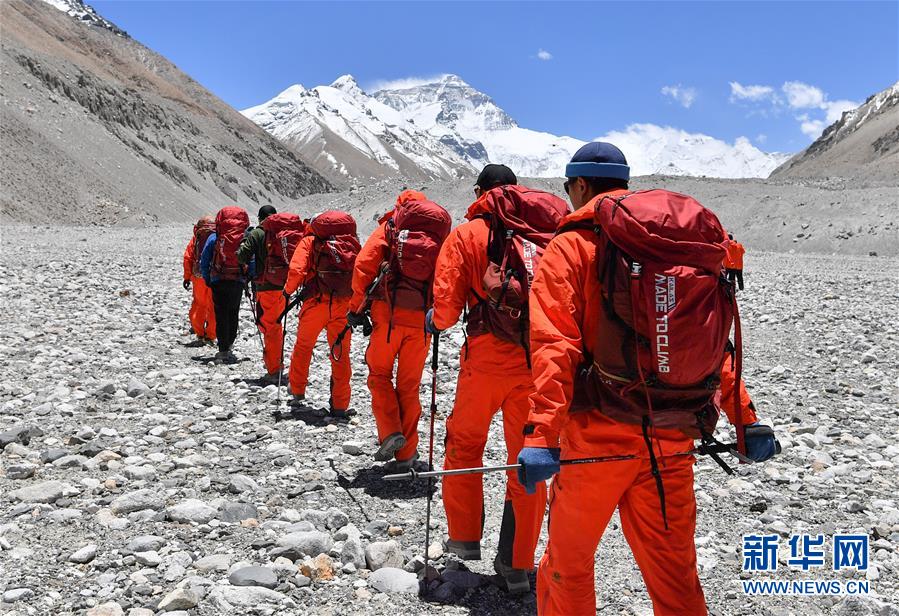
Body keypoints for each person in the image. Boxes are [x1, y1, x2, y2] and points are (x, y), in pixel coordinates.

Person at [516, 142, 779, 615]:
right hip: (672, 438)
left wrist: (541, 434)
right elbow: (711, 344)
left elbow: (554, 345)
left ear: (578, 185)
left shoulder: (573, 246)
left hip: (597, 441)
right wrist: (744, 418)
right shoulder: (675, 250)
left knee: (568, 567)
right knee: (675, 575)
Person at [426, 164, 567, 593]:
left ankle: (466, 538)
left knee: (465, 443)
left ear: (480, 193)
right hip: (537, 363)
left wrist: (435, 320)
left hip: (485, 360)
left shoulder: (468, 235)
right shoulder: (544, 235)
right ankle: (518, 563)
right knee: (527, 459)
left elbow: (447, 311)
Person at [347, 190, 451, 472]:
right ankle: (407, 454)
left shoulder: (390, 228)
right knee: (409, 387)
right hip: (422, 323)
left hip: (388, 317)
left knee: (379, 375)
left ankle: (390, 430)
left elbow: (364, 266)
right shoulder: (439, 235)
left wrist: (356, 309)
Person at [283, 211, 360, 419]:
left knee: (304, 346)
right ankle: (340, 404)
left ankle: (298, 391)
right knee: (341, 353)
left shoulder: (310, 242)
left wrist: (288, 291)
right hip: (343, 305)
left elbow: (297, 270)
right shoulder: (352, 243)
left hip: (316, 302)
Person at [237, 205, 289, 383]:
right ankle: (276, 364)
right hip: (284, 287)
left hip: (266, 287)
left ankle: (274, 369)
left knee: (270, 327)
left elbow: (242, 256)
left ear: (260, 218)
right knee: (276, 324)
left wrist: (242, 245)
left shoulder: (258, 233)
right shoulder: (284, 233)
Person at [200, 206, 250, 364]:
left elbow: (204, 259)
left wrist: (207, 278)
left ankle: (222, 349)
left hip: (218, 279)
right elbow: (251, 258)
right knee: (233, 311)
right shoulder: (245, 237)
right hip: (238, 279)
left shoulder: (214, 237)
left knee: (220, 313)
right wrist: (248, 278)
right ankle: (229, 342)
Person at [182, 216, 216, 347]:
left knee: (199, 304)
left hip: (198, 276)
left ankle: (200, 333)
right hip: (214, 276)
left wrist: (187, 277)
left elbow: (188, 257)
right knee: (213, 306)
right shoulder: (217, 236)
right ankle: (211, 336)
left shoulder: (197, 238)